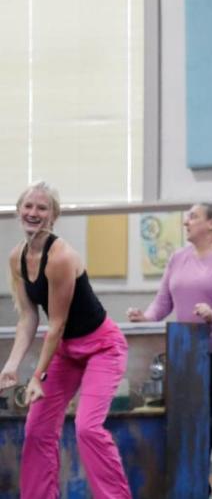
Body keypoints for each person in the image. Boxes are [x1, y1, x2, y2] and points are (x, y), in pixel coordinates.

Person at [0, 182, 132, 498]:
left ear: (53, 216)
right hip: (67, 351)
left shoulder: (60, 257)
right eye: (28, 206)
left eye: (42, 208)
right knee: (37, 429)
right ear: (19, 210)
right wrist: (11, 366)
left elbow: (56, 324)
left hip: (102, 346)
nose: (33, 213)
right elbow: (29, 317)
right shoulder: (16, 257)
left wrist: (37, 376)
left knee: (87, 427)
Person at [126, 199, 212, 498]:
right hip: (189, 354)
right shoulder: (178, 258)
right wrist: (146, 317)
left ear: (211, 223)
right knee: (193, 416)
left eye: (192, 216)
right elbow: (162, 301)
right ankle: (196, 478)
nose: (186, 221)